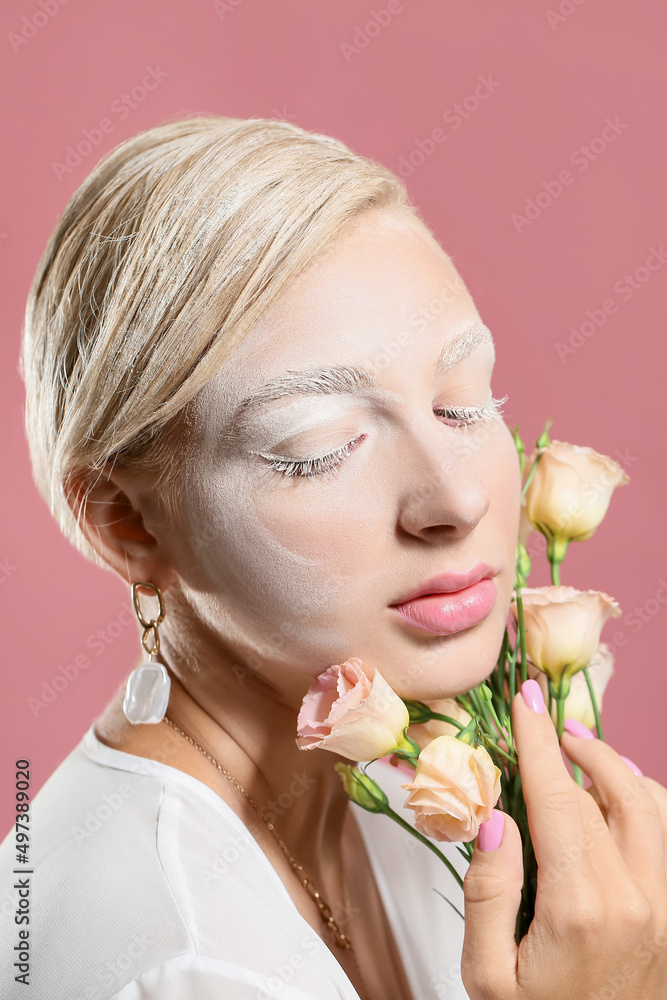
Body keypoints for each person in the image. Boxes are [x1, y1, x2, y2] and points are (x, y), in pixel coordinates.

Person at [1, 114, 665, 1000]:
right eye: (319, 448)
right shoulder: (179, 964)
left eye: (465, 403)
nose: (456, 500)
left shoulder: (416, 791)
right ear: (128, 523)